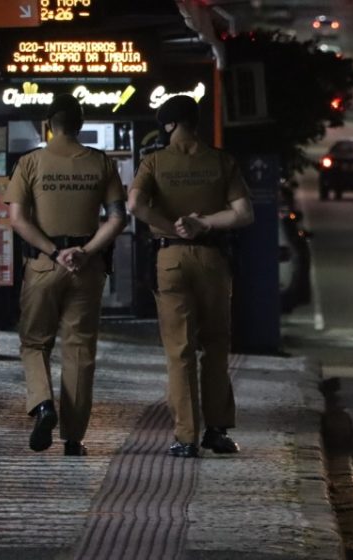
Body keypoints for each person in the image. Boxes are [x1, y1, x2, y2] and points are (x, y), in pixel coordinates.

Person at [128, 95, 254, 458]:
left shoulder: (153, 161)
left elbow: (135, 205)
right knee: (215, 346)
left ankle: (185, 437)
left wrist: (172, 227)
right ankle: (217, 430)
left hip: (170, 259)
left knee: (179, 350)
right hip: (213, 259)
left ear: (168, 125)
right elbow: (244, 213)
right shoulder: (220, 161)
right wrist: (203, 224)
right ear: (193, 122)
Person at [6, 94, 127, 456]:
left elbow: (18, 219)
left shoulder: (30, 163)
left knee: (34, 342)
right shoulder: (102, 164)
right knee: (79, 350)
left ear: (49, 125)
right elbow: (118, 218)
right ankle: (74, 438)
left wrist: (55, 252)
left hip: (44, 265)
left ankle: (43, 405)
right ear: (80, 123)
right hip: (87, 269)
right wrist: (85, 252)